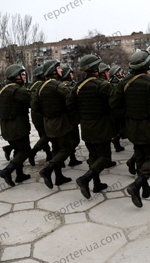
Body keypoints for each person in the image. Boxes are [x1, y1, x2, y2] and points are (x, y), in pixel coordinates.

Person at [110, 50, 150, 208]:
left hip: (132, 127)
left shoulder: (123, 82)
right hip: (148, 126)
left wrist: (128, 114)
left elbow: (113, 104)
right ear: (147, 64)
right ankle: (136, 185)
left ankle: (145, 188)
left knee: (140, 156)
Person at [67, 54, 116, 199]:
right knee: (105, 157)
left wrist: (81, 118)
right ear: (95, 68)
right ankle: (85, 179)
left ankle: (96, 184)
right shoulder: (102, 85)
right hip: (101, 127)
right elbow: (114, 103)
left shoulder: (78, 86)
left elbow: (70, 105)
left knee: (93, 156)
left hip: (86, 127)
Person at [31, 60, 72, 189]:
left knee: (55, 150)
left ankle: (59, 176)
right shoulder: (57, 85)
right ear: (53, 71)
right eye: (59, 68)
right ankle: (48, 169)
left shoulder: (40, 87)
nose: (61, 71)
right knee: (67, 149)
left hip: (48, 123)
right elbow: (70, 98)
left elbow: (34, 106)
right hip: (60, 122)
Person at [0, 64, 32, 186]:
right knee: (25, 151)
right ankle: (8, 170)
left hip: (5, 126)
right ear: (15, 76)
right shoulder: (17, 90)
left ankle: (20, 175)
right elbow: (33, 100)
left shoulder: (0, 90)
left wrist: (4, 115)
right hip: (18, 126)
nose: (24, 76)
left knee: (18, 150)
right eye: (22, 74)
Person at [28, 65, 52, 165]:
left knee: (43, 135)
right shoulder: (41, 85)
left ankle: (48, 154)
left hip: (35, 114)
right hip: (41, 114)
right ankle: (33, 152)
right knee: (46, 135)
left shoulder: (32, 85)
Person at [61, 66, 82, 167]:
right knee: (74, 140)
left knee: (71, 140)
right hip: (70, 117)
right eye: (70, 73)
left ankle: (72, 158)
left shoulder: (61, 85)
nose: (72, 75)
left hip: (66, 117)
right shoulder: (67, 86)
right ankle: (60, 159)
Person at [109, 65, 125, 152]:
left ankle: (117, 143)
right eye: (119, 72)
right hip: (120, 110)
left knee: (117, 128)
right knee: (123, 128)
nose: (121, 74)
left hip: (114, 110)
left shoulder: (110, 83)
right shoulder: (118, 84)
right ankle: (116, 139)